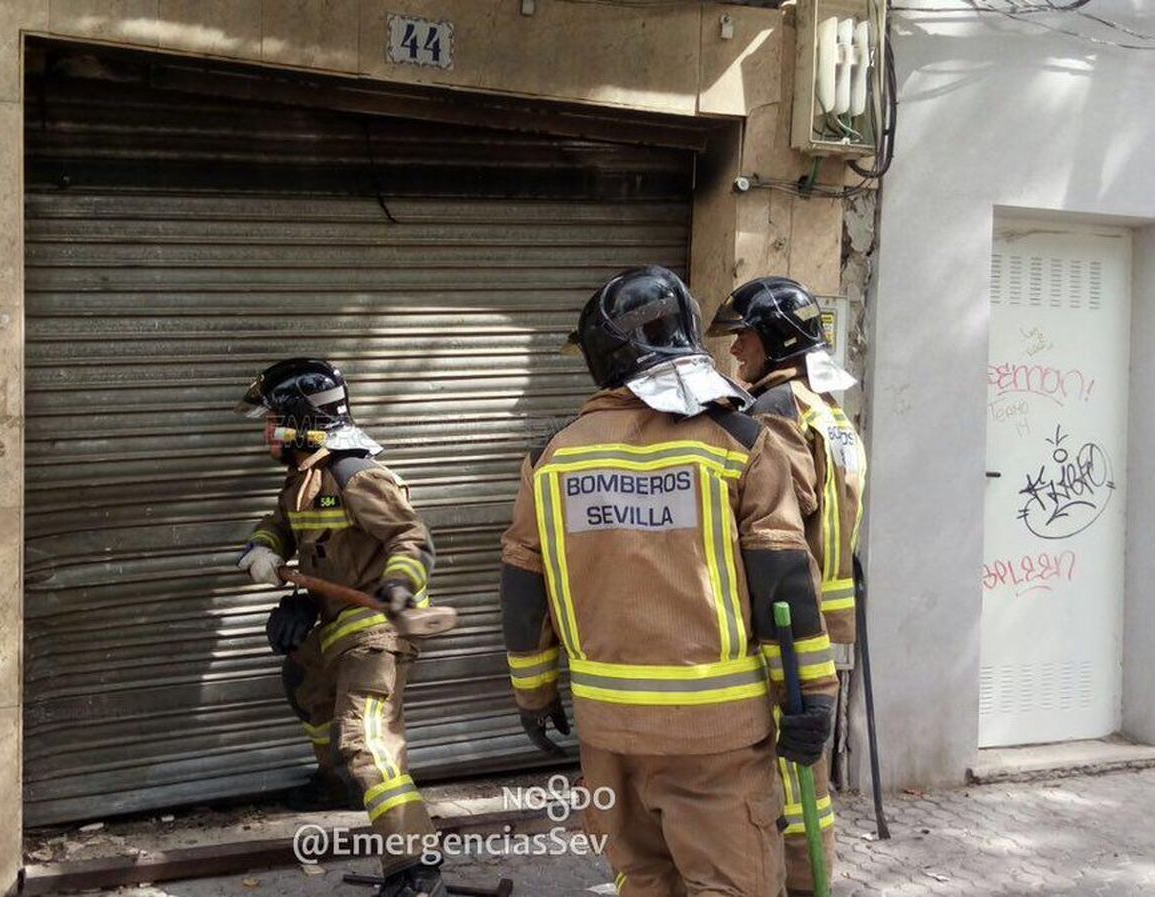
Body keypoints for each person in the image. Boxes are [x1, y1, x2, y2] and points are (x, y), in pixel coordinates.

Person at [498, 267, 838, 897]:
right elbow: (783, 579)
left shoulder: (551, 457)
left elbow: (523, 590)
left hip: (608, 735)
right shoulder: (739, 440)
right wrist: (811, 693)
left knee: (644, 880)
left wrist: (534, 695)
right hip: (717, 738)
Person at [235, 358, 445, 897]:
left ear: (300, 420)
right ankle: (339, 783)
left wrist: (398, 585)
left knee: (367, 738)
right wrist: (266, 547)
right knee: (303, 685)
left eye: (272, 420)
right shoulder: (305, 476)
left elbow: (411, 538)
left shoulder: (356, 474)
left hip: (377, 625)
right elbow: (284, 522)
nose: (265, 433)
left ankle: (414, 865)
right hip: (334, 617)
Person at [708, 275, 868, 896]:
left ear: (775, 337)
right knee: (812, 781)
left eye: (743, 336)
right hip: (825, 615)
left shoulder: (773, 414)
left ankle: (796, 883)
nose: (735, 350)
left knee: (791, 781)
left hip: (785, 620)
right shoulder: (829, 412)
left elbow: (775, 532)